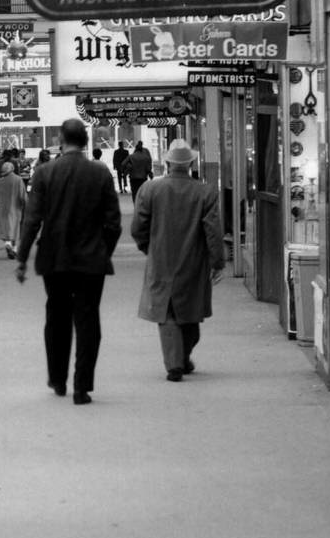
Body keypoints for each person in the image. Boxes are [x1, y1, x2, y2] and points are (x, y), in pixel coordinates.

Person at [15, 118, 122, 404]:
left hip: (55, 258)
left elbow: (32, 220)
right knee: (88, 320)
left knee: (57, 317)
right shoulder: (100, 174)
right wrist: (102, 251)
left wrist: (22, 258)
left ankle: (58, 379)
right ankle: (82, 386)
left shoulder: (44, 173)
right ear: (86, 142)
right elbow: (113, 224)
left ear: (61, 139)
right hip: (91, 261)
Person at [130, 139, 226, 382]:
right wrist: (217, 262)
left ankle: (176, 362)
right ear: (192, 163)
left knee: (168, 313)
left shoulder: (150, 190)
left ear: (168, 163)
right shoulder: (205, 192)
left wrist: (148, 248)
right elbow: (213, 231)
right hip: (193, 262)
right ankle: (178, 361)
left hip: (161, 259)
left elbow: (138, 227)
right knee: (190, 313)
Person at [0, 159, 26, 258]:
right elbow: (22, 196)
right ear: (12, 169)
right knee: (14, 228)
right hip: (16, 208)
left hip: (2, 207)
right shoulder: (18, 179)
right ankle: (13, 247)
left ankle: (8, 244)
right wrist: (26, 205)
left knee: (5, 228)